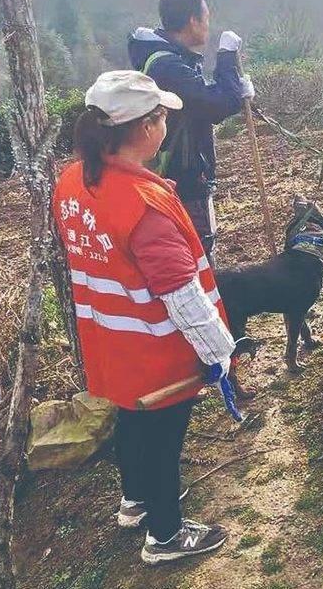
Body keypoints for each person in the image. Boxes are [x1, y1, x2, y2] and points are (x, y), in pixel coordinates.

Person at [53, 70, 240, 564]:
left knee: (131, 420)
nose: (166, 125)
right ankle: (166, 535)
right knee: (162, 441)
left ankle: (135, 500)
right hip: (157, 350)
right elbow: (182, 293)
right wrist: (219, 353)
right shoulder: (144, 205)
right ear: (144, 128)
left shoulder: (72, 181)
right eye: (161, 117)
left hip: (109, 341)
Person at [128, 0, 254, 260]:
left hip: (179, 178)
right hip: (182, 183)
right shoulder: (167, 66)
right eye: (206, 18)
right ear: (192, 21)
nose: (208, 25)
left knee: (195, 252)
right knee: (197, 257)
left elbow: (202, 100)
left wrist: (235, 90)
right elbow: (215, 105)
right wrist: (227, 58)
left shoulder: (168, 59)